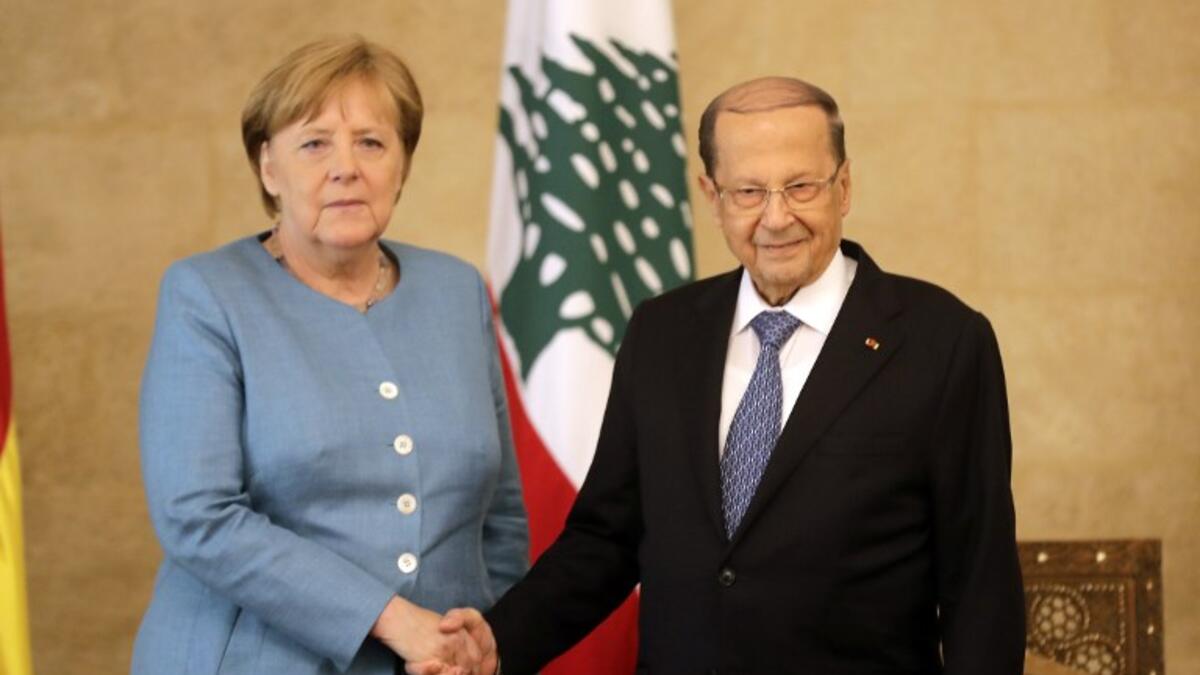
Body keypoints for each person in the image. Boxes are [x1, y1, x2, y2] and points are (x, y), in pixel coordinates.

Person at [432, 76, 1026, 673]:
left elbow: (981, 583)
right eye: (748, 192)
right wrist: (500, 641)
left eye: (801, 187)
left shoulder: (942, 342)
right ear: (711, 196)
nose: (777, 218)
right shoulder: (661, 333)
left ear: (844, 187)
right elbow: (606, 539)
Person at [131, 36, 527, 675]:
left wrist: (491, 641)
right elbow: (196, 515)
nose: (346, 167)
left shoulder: (457, 290)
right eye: (314, 144)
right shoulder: (206, 294)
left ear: (402, 164)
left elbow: (500, 513)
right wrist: (391, 619)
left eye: (371, 142)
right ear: (268, 168)